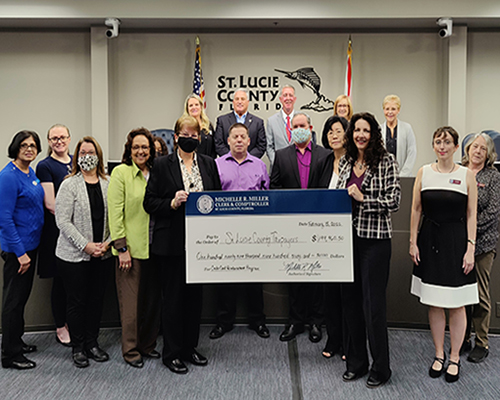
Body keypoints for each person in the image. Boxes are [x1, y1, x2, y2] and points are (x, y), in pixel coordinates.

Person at [144, 115, 221, 374]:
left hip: (201, 244)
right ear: (176, 137)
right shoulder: (162, 165)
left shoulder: (209, 164)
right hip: (172, 243)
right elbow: (149, 202)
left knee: (194, 300)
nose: (190, 138)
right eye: (185, 134)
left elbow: (217, 199)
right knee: (173, 300)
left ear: (200, 137)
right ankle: (172, 353)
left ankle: (190, 348)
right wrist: (171, 203)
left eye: (195, 134)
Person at [410, 126, 478, 383]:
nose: (442, 146)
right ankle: (439, 354)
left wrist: (470, 247)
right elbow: (416, 209)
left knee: (457, 304)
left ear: (455, 146)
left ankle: (455, 356)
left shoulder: (466, 174)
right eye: (438, 141)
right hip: (429, 241)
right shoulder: (424, 172)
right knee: (435, 301)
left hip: (456, 242)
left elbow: (471, 214)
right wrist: (412, 241)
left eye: (447, 142)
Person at [337, 112, 400, 389]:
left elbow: (394, 199)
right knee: (350, 303)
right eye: (356, 130)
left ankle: (381, 368)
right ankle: (357, 362)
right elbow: (338, 194)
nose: (360, 135)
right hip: (345, 241)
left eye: (365, 130)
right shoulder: (347, 161)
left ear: (374, 134)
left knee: (373, 306)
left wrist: (364, 198)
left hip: (375, 242)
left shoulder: (386, 161)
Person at [271, 112, 331, 343]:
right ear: (290, 130)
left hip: (318, 225)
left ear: (310, 127)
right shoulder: (281, 155)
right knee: (294, 274)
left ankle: (316, 321)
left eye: (302, 125)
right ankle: (296, 321)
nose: (299, 129)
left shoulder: (324, 155)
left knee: (316, 274)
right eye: (295, 126)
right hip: (292, 225)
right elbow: (274, 187)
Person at [55, 136, 113, 368]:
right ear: (76, 157)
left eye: (91, 152)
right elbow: (63, 221)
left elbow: (115, 220)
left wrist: (107, 243)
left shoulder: (108, 184)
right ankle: (78, 347)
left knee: (96, 300)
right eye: (82, 153)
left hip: (103, 254)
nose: (86, 157)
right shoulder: (69, 185)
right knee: (77, 302)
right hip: (73, 257)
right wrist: (86, 245)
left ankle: (92, 343)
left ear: (98, 156)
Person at [210, 123, 270, 340]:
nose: (238, 140)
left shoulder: (259, 165)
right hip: (225, 231)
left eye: (242, 137)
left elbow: (267, 195)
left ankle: (258, 321)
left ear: (248, 141)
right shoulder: (215, 165)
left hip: (253, 231)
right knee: (225, 278)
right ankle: (223, 321)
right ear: (228, 140)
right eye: (234, 136)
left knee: (254, 278)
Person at [108, 128, 161, 368]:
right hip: (130, 250)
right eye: (136, 147)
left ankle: (148, 345)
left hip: (155, 248)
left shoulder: (157, 173)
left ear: (151, 151)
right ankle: (130, 351)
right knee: (130, 305)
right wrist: (121, 248)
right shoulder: (121, 173)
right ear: (129, 150)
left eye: (145, 147)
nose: (141, 151)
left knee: (151, 302)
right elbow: (115, 213)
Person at [0, 131, 44, 370]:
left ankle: (15, 341)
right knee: (12, 302)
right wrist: (20, 253)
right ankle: (10, 355)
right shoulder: (8, 176)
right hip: (18, 251)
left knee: (20, 299)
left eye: (33, 145)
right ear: (15, 147)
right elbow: (4, 218)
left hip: (31, 246)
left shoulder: (30, 172)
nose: (29, 149)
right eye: (24, 145)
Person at [461, 133, 500, 363]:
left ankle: (481, 342)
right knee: (461, 294)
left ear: (488, 154)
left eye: (482, 149)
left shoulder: (494, 177)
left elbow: (493, 211)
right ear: (467, 149)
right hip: (458, 243)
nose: (477, 151)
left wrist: (468, 227)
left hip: (483, 244)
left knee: (480, 294)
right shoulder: (458, 171)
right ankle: (463, 337)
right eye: (474, 146)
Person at [36, 124, 72, 347]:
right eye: (54, 138)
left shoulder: (77, 161)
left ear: (69, 139)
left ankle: (73, 321)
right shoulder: (45, 166)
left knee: (74, 281)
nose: (59, 141)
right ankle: (61, 326)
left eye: (62, 137)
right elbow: (50, 203)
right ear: (49, 141)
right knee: (59, 281)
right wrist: (74, 221)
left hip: (77, 234)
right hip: (56, 232)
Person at [318, 116, 349, 360]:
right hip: (325, 235)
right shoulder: (324, 161)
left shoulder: (356, 162)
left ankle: (349, 341)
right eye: (329, 131)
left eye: (338, 131)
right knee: (329, 291)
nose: (333, 135)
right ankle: (334, 337)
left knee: (347, 292)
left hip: (350, 234)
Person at [214, 89, 266, 158]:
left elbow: (261, 146)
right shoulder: (222, 121)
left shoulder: (258, 122)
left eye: (242, 99)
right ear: (233, 102)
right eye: (237, 99)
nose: (240, 102)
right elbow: (218, 144)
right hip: (228, 164)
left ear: (247, 102)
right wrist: (232, 158)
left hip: (250, 164)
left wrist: (247, 159)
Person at [380, 94, 417, 177]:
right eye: (387, 109)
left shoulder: (407, 128)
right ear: (383, 110)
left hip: (404, 176)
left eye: (393, 109)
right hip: (384, 176)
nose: (390, 112)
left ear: (398, 110)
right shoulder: (379, 130)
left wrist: (403, 174)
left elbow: (412, 152)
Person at [266, 85, 297, 166]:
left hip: (299, 168)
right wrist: (277, 163)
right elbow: (269, 147)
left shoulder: (303, 119)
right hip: (278, 169)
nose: (288, 98)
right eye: (285, 95)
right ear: (280, 99)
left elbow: (308, 143)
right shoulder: (271, 121)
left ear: (294, 99)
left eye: (291, 95)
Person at [183, 94, 216, 158]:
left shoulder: (208, 125)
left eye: (196, 104)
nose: (194, 107)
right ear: (187, 109)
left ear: (201, 107)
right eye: (191, 105)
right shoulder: (184, 126)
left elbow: (213, 148)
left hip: (208, 163)